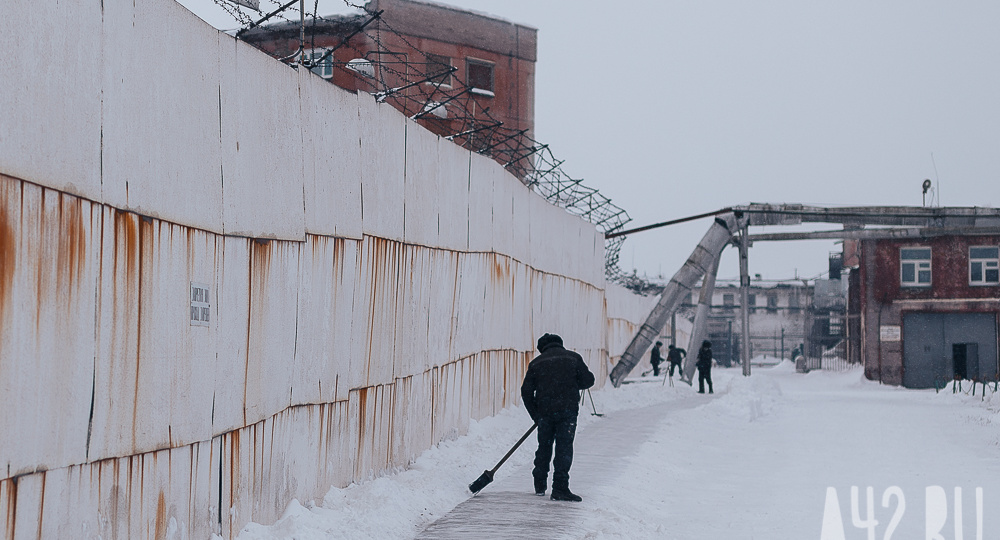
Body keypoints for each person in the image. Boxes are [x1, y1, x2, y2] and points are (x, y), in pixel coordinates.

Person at [521, 333, 595, 502]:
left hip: (545, 413)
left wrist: (536, 415)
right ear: (560, 344)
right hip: (567, 412)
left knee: (544, 447)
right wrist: (573, 382)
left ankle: (539, 483)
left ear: (542, 348)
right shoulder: (573, 358)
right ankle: (560, 488)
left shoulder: (536, 363)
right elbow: (588, 381)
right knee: (564, 448)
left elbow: (526, 391)